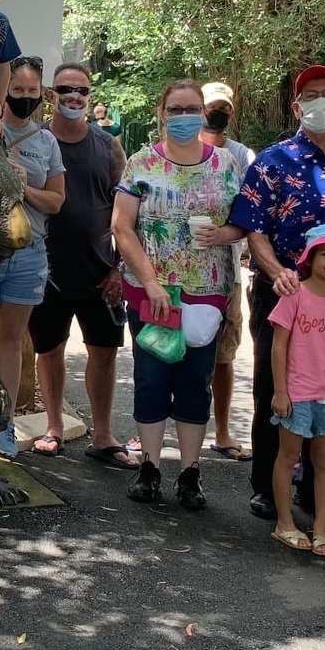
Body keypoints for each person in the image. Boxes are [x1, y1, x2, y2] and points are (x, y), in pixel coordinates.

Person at [227, 65, 325, 521]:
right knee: (274, 385)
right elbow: (254, 228)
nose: (321, 102)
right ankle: (267, 481)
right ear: (297, 107)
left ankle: (312, 479)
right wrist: (278, 272)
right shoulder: (273, 161)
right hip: (283, 289)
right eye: (311, 95)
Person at [113, 80, 245, 510]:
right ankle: (150, 467)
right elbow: (121, 227)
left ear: (204, 112)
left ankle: (190, 473)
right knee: (151, 379)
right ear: (161, 112)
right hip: (153, 292)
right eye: (176, 108)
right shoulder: (141, 162)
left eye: (193, 108)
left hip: (207, 292)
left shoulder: (226, 163)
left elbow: (244, 223)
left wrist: (223, 233)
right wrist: (150, 282)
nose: (185, 115)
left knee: (194, 382)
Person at [29, 63, 134, 466]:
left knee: (104, 352)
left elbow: (126, 211)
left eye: (82, 90)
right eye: (65, 88)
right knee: (50, 349)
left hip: (100, 272)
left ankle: (105, 435)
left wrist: (119, 269)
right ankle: (54, 427)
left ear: (90, 96)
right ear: (51, 94)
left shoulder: (108, 146)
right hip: (45, 269)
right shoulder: (34, 141)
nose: (74, 96)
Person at [0, 56, 66, 457]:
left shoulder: (46, 141)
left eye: (31, 92)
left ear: (41, 95)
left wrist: (24, 186)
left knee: (11, 340)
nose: (24, 98)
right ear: (3, 90)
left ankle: (2, 424)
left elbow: (55, 201)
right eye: (17, 90)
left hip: (29, 251)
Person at [266, 224, 325, 558]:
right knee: (288, 458)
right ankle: (284, 523)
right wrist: (280, 391)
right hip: (297, 393)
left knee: (323, 461)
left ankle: (321, 529)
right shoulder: (295, 294)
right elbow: (278, 347)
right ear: (310, 258)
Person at [199, 81, 256, 462]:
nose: (216, 113)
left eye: (222, 107)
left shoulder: (242, 156)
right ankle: (155, 432)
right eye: (209, 106)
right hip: (177, 274)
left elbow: (251, 212)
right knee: (173, 353)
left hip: (226, 272)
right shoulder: (168, 151)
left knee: (224, 354)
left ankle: (221, 432)